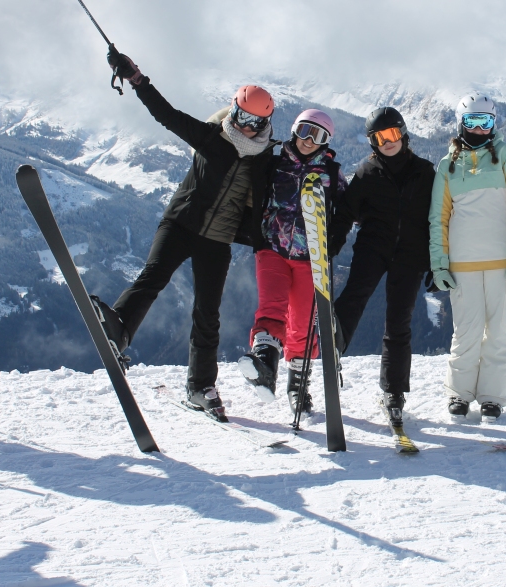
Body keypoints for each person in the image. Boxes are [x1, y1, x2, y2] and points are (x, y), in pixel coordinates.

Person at [95, 47, 277, 421]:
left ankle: (201, 387)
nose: (246, 127)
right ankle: (119, 330)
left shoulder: (264, 160)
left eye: (255, 123)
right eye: (241, 116)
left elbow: (293, 175)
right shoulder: (212, 137)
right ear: (233, 110)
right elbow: (167, 115)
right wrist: (136, 79)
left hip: (218, 240)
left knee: (207, 314)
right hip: (180, 223)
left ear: (265, 124)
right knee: (153, 276)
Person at [429, 93, 506, 423]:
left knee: (499, 333)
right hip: (463, 264)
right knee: (466, 333)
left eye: (484, 122)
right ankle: (459, 395)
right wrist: (439, 262)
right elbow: (438, 218)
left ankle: (492, 397)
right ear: (460, 124)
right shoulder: (447, 166)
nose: (477, 129)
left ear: (494, 124)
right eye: (471, 122)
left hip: (502, 263)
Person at [329, 107, 436, 428]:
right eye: (379, 137)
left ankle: (394, 391)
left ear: (402, 133)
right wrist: (329, 247)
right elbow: (345, 213)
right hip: (372, 249)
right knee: (353, 298)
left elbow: (438, 220)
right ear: (372, 142)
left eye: (391, 135)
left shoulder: (425, 173)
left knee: (398, 323)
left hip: (411, 256)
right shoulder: (367, 173)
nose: (387, 142)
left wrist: (436, 261)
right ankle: (333, 348)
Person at [239, 109, 347, 416]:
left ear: (326, 142)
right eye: (304, 131)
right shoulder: (274, 163)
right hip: (272, 249)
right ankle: (264, 364)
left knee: (301, 323)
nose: (309, 141)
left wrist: (331, 247)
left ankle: (298, 385)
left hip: (309, 258)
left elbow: (345, 214)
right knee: (271, 308)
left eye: (319, 136)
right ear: (294, 130)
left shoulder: (331, 172)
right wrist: (257, 237)